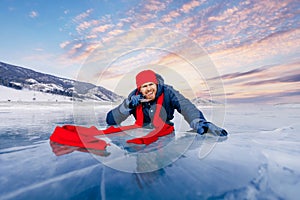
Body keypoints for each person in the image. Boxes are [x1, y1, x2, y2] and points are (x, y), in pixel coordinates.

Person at [106, 70, 227, 137]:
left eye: (150, 85)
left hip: (165, 134)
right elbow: (110, 120)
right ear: (139, 88)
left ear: (156, 84)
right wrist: (127, 105)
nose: (148, 89)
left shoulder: (168, 92)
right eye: (144, 86)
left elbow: (186, 106)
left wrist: (199, 122)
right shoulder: (134, 97)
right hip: (141, 133)